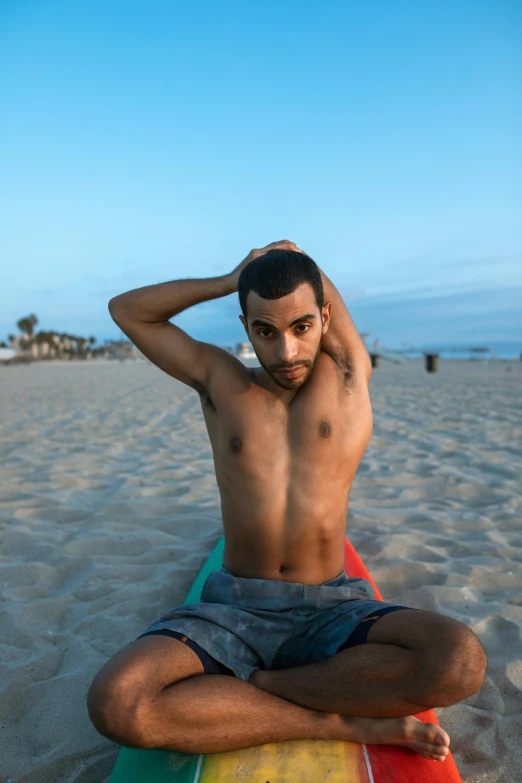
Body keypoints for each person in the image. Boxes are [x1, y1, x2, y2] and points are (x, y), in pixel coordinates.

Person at [87, 240, 487, 760]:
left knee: (459, 661)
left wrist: (297, 256)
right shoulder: (221, 382)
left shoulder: (346, 379)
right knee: (118, 703)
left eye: (301, 327)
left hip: (332, 608)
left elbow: (318, 301)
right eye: (265, 332)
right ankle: (333, 720)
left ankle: (258, 688)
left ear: (324, 317)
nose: (286, 352)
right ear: (246, 326)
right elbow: (127, 311)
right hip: (231, 609)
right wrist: (233, 277)